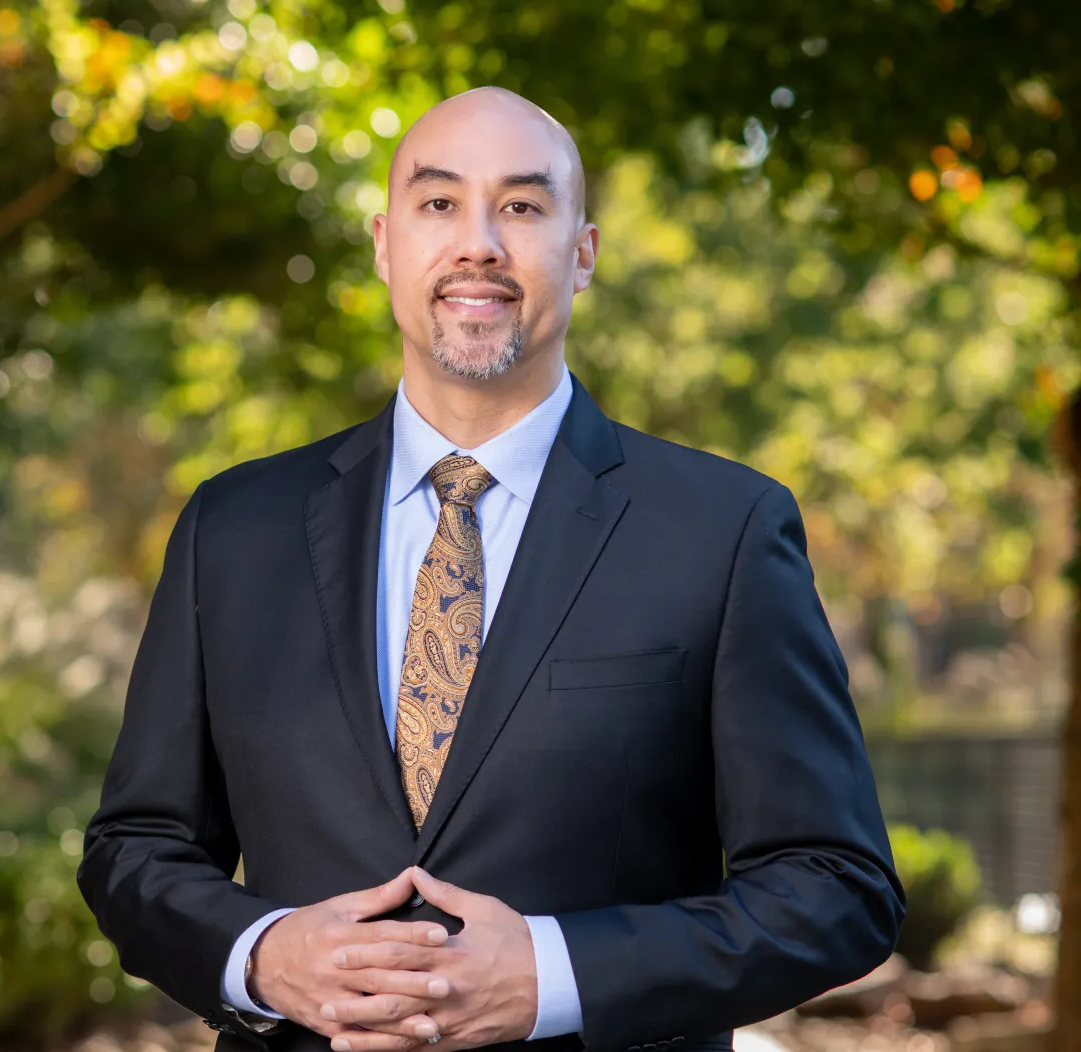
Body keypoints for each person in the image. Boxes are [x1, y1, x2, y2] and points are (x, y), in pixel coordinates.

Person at [75, 87, 904, 1052]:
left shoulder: (723, 531)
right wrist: (261, 954)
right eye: (439, 205)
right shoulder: (233, 527)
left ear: (581, 252)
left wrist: (556, 975)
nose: (479, 244)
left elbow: (835, 887)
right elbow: (136, 849)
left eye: (520, 206)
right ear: (386, 245)